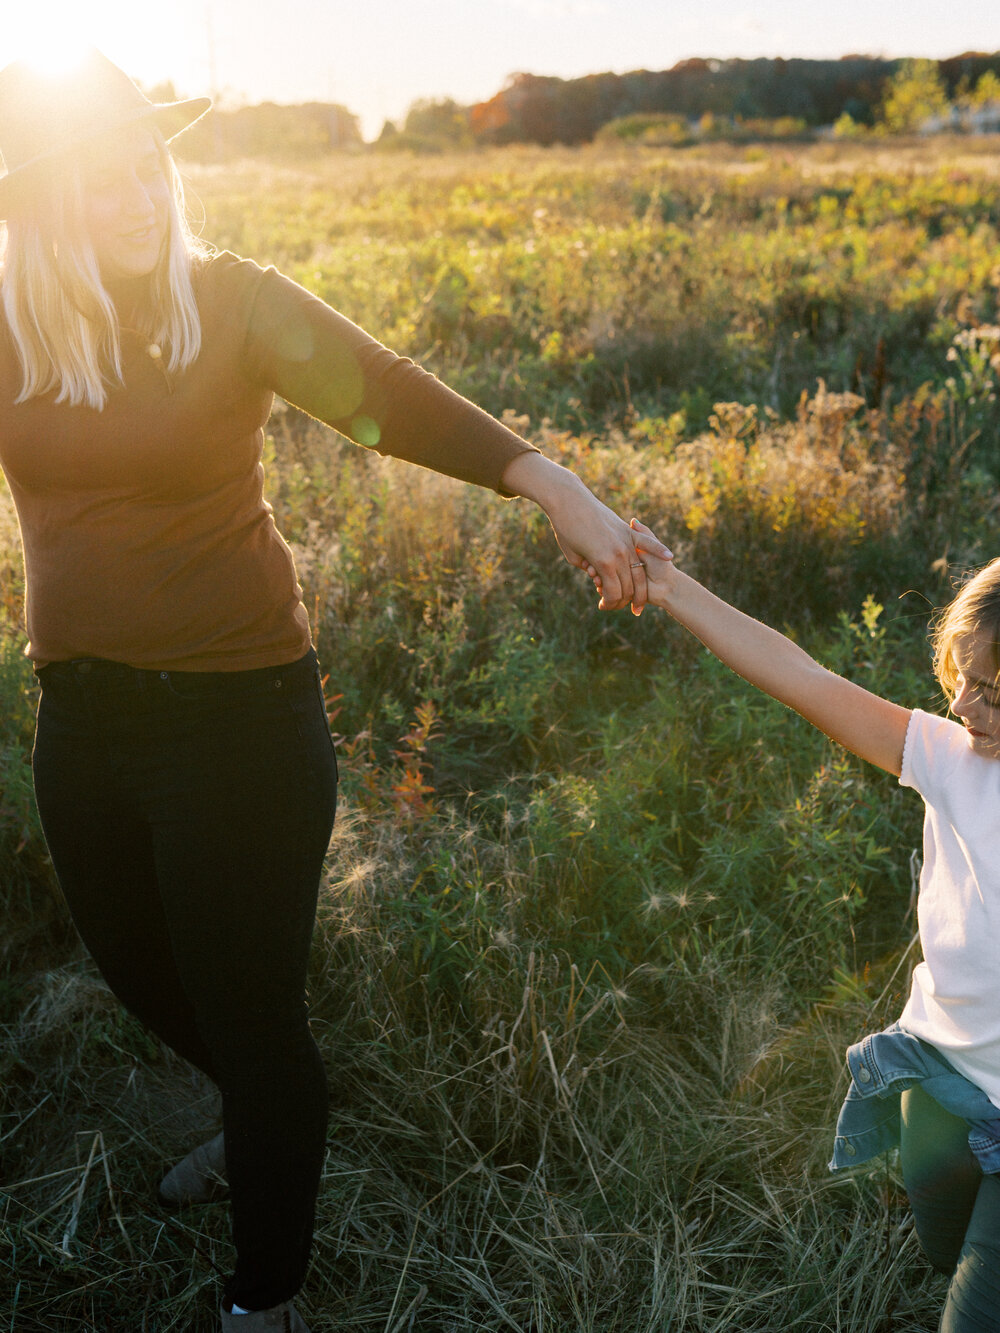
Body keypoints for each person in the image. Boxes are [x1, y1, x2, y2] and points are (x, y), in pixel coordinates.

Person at [0, 48, 670, 1333]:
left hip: (237, 720)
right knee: (137, 964)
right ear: (47, 206)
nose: (138, 196)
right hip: (81, 718)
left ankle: (269, 1296)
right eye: (101, 178)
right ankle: (266, 1119)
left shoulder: (232, 302)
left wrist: (558, 490)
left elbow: (393, 399)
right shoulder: (18, 327)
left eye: (149, 165)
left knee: (251, 1009)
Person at [619, 522, 1000, 1333]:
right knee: (938, 1249)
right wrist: (672, 587)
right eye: (964, 678)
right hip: (938, 1078)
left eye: (995, 692)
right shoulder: (944, 754)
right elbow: (803, 677)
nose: (965, 704)